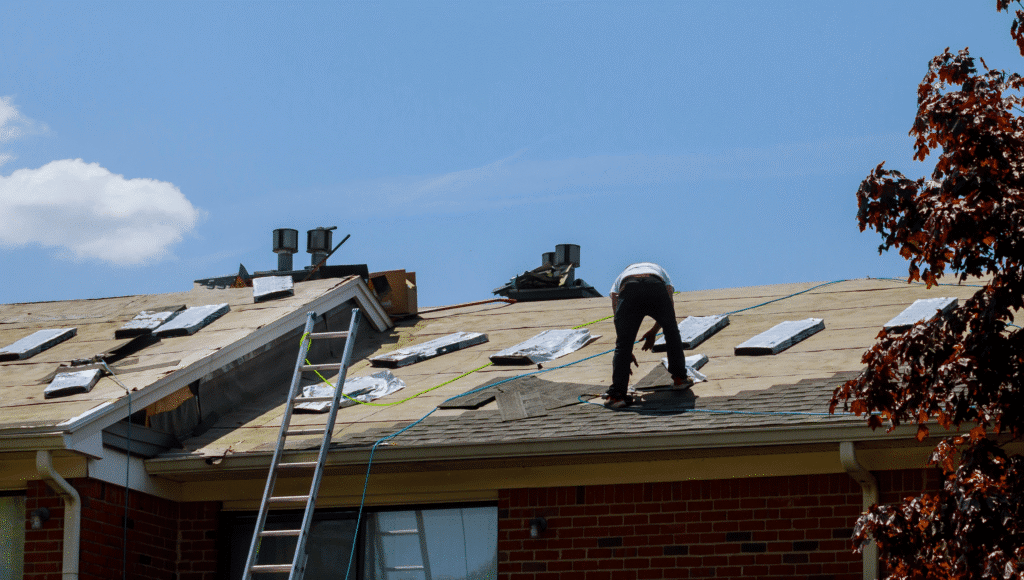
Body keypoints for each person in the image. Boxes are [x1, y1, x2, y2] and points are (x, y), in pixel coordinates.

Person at [605, 262, 690, 408]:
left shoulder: (623, 275)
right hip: (654, 284)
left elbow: (615, 300)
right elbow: (669, 300)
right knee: (672, 332)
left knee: (622, 344)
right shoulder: (658, 269)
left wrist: (625, 349)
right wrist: (656, 330)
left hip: (629, 288)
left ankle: (617, 396)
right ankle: (679, 379)